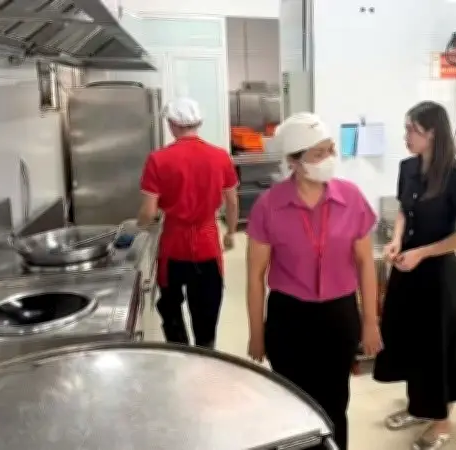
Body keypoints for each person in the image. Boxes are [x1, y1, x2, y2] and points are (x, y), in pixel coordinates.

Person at [246, 112, 383, 450]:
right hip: (289, 318)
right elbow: (255, 276)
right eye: (318, 154)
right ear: (294, 162)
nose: (329, 159)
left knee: (335, 403)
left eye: (330, 150)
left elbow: (365, 263)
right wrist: (257, 333)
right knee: (291, 405)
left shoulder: (351, 198)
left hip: (339, 316)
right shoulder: (269, 206)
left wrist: (370, 322)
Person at [373, 101, 456, 450]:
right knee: (411, 341)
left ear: (432, 133)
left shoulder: (455, 175)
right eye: (406, 129)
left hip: (438, 275)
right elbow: (404, 210)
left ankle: (441, 421)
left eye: (412, 130)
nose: (406, 136)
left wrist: (422, 252)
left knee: (436, 348)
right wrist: (396, 240)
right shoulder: (408, 167)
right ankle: (418, 407)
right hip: (408, 269)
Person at [137, 97, 239, 349]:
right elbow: (232, 202)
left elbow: (148, 212)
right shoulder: (220, 156)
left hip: (174, 246)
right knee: (206, 307)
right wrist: (230, 232)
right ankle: (205, 349)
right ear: (198, 123)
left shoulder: (158, 159)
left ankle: (179, 349)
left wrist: (139, 227)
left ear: (172, 124)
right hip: (207, 243)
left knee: (170, 306)